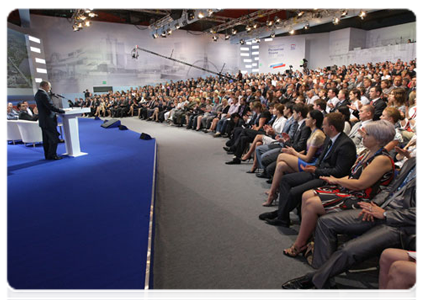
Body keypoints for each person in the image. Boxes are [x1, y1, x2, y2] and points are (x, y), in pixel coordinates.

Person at [281, 157, 420, 298]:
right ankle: (324, 283)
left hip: (403, 224)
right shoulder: (413, 161)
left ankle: (315, 280)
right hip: (380, 210)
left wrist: (385, 214)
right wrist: (374, 205)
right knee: (325, 222)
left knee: (350, 249)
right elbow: (390, 189)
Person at [283, 120, 395, 257]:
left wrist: (336, 180)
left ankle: (300, 244)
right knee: (306, 195)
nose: (363, 137)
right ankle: (310, 240)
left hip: (362, 198)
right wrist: (333, 180)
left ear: (378, 139)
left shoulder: (382, 159)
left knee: (312, 204)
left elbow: (361, 184)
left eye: (368, 134)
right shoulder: (367, 152)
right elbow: (352, 176)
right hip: (351, 191)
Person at [259, 112, 357, 227]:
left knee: (295, 191)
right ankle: (282, 215)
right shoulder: (329, 139)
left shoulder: (345, 144)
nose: (322, 127)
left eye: (324, 125)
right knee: (285, 180)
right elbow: (321, 158)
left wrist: (316, 170)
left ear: (332, 127)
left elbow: (339, 172)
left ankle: (281, 215)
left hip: (328, 178)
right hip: (318, 172)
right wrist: (315, 168)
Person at [262, 110, 325, 206]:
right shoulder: (313, 132)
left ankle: (272, 193)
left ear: (314, 121)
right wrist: (294, 152)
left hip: (311, 164)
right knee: (281, 165)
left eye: (308, 118)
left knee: (281, 156)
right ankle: (274, 191)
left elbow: (308, 158)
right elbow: (307, 151)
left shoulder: (318, 135)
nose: (306, 120)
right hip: (308, 159)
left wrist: (293, 152)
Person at [34, 81, 65, 160]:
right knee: (53, 138)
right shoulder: (43, 94)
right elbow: (50, 106)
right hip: (48, 120)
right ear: (45, 85)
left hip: (43, 120)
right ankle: (52, 155)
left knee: (46, 139)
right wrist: (61, 111)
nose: (50, 89)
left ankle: (48, 155)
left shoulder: (38, 94)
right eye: (49, 87)